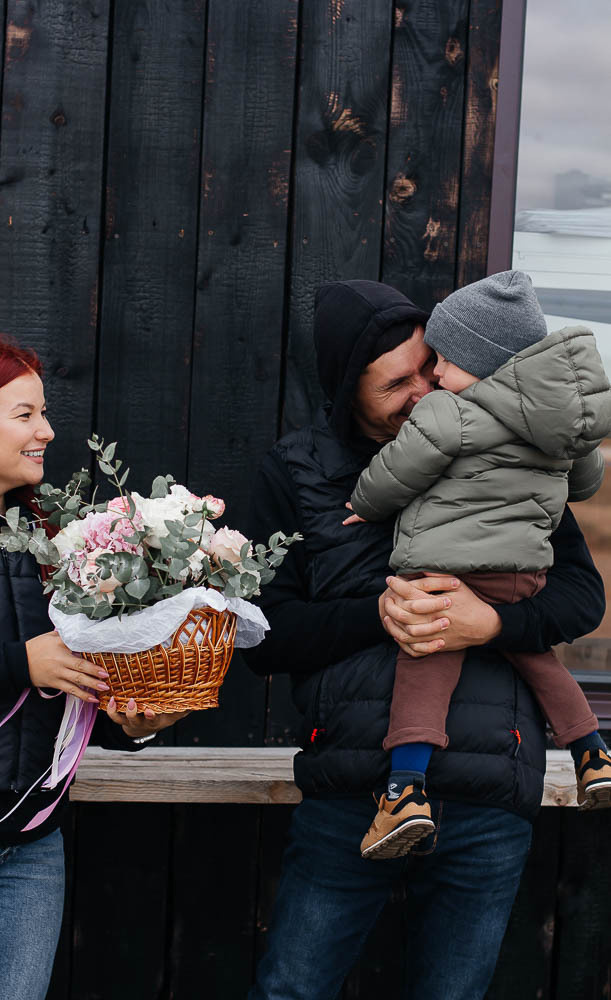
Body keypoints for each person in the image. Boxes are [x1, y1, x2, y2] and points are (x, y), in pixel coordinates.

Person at [243, 279, 607, 1000]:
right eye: (395, 383)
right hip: (353, 790)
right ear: (348, 390)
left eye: (428, 366)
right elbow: (262, 634)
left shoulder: (512, 449)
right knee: (289, 991)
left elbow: (578, 597)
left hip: (489, 788)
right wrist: (374, 613)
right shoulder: (297, 471)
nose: (423, 390)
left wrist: (491, 622)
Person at [0, 331, 187, 1000]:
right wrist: (21, 662)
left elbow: (69, 688)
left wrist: (133, 723)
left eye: (44, 413)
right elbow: (29, 669)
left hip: (32, 842)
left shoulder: (58, 541)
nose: (47, 431)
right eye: (24, 414)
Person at [342, 271, 611, 860]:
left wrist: (364, 504)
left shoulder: (449, 413)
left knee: (424, 663)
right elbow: (586, 484)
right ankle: (593, 751)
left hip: (450, 568)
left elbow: (401, 470)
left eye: (443, 359)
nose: (435, 373)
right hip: (523, 575)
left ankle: (404, 791)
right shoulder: (561, 431)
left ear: (485, 365)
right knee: (539, 661)